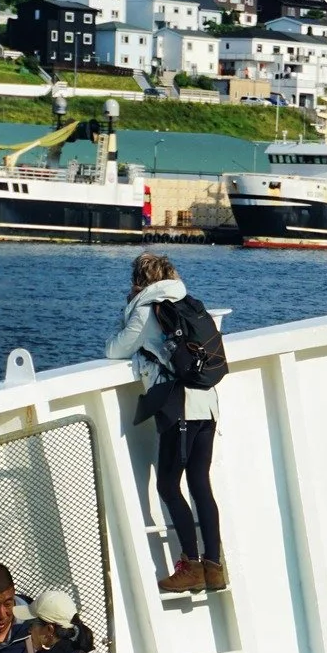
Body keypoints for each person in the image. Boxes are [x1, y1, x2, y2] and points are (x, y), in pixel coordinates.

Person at [107, 252, 226, 594]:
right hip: (207, 404)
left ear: (139, 281)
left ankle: (190, 565)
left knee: (168, 486)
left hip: (178, 407)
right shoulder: (190, 303)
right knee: (200, 483)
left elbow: (115, 349)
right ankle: (213, 567)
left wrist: (127, 313)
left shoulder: (146, 310)